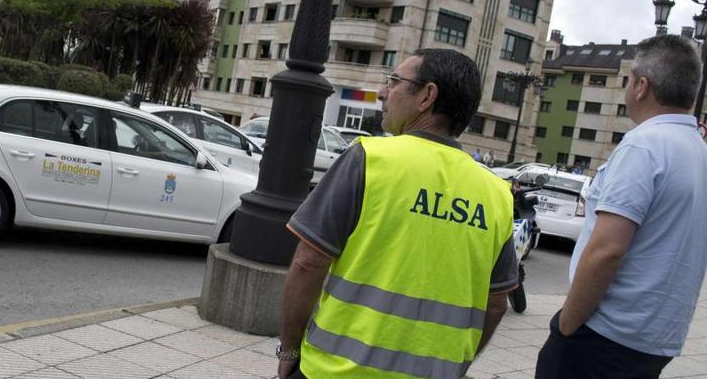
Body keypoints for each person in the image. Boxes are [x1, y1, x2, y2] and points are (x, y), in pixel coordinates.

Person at [278, 49, 518, 379]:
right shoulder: (496, 194)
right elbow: (496, 304)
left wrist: (289, 349)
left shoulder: (370, 158)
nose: (382, 93)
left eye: (394, 81)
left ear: (427, 96)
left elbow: (308, 263)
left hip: (336, 371)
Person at [535, 35, 707, 379]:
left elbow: (607, 251)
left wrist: (568, 323)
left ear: (642, 86)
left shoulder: (645, 146)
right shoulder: (698, 151)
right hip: (655, 339)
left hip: (603, 335)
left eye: (628, 79)